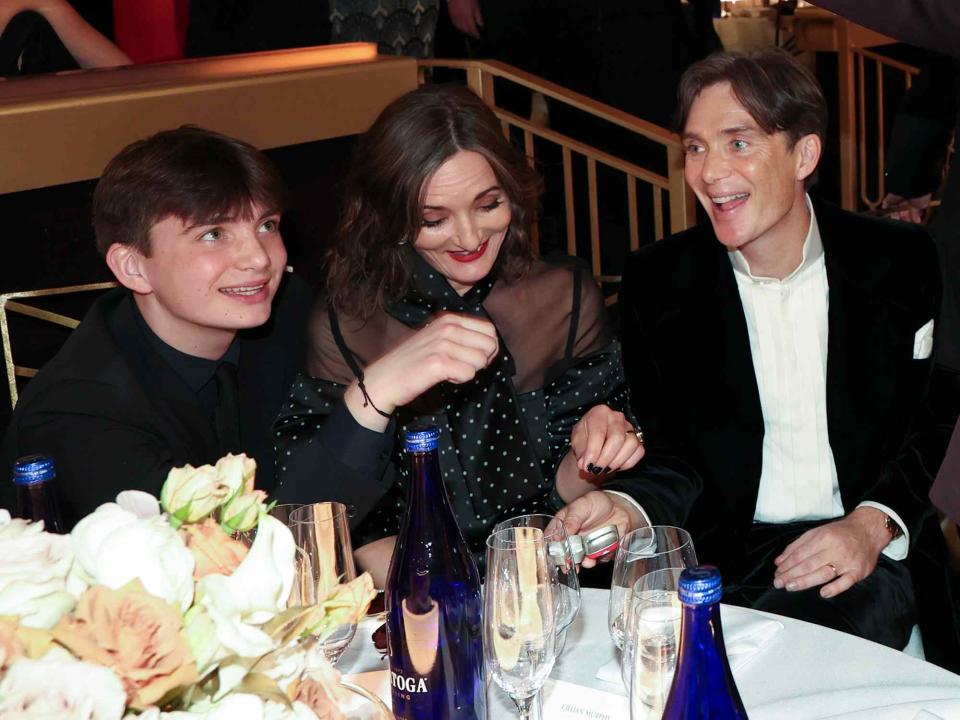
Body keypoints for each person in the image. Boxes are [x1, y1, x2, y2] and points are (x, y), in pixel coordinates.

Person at [273, 84, 687, 586]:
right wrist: (380, 389)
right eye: (434, 219)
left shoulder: (561, 295)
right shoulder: (349, 321)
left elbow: (566, 493)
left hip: (548, 581)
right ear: (393, 217)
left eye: (488, 205)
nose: (469, 238)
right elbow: (304, 524)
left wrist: (595, 456)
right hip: (416, 594)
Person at [616, 49, 942, 649]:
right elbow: (674, 458)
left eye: (738, 143)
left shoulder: (898, 262)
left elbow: (931, 419)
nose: (710, 171)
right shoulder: (658, 284)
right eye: (695, 147)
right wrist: (621, 504)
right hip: (723, 564)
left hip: (865, 550)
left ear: (804, 154)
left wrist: (873, 523)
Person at [1, 126, 312, 528]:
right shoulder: (81, 414)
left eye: (266, 225)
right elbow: (213, 554)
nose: (259, 259)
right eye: (214, 234)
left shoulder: (290, 310)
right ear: (133, 268)